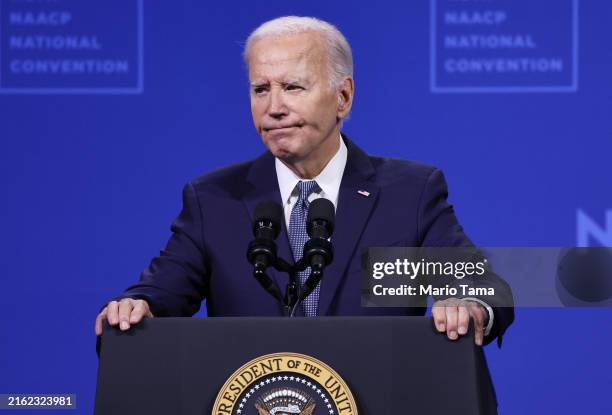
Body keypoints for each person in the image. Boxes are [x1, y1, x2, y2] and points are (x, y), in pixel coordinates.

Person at [95, 16, 513, 346]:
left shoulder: (409, 193)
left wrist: (471, 304)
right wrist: (137, 307)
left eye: (293, 87)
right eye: (260, 89)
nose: (274, 107)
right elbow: (160, 293)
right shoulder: (213, 199)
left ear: (343, 97)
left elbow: (483, 287)